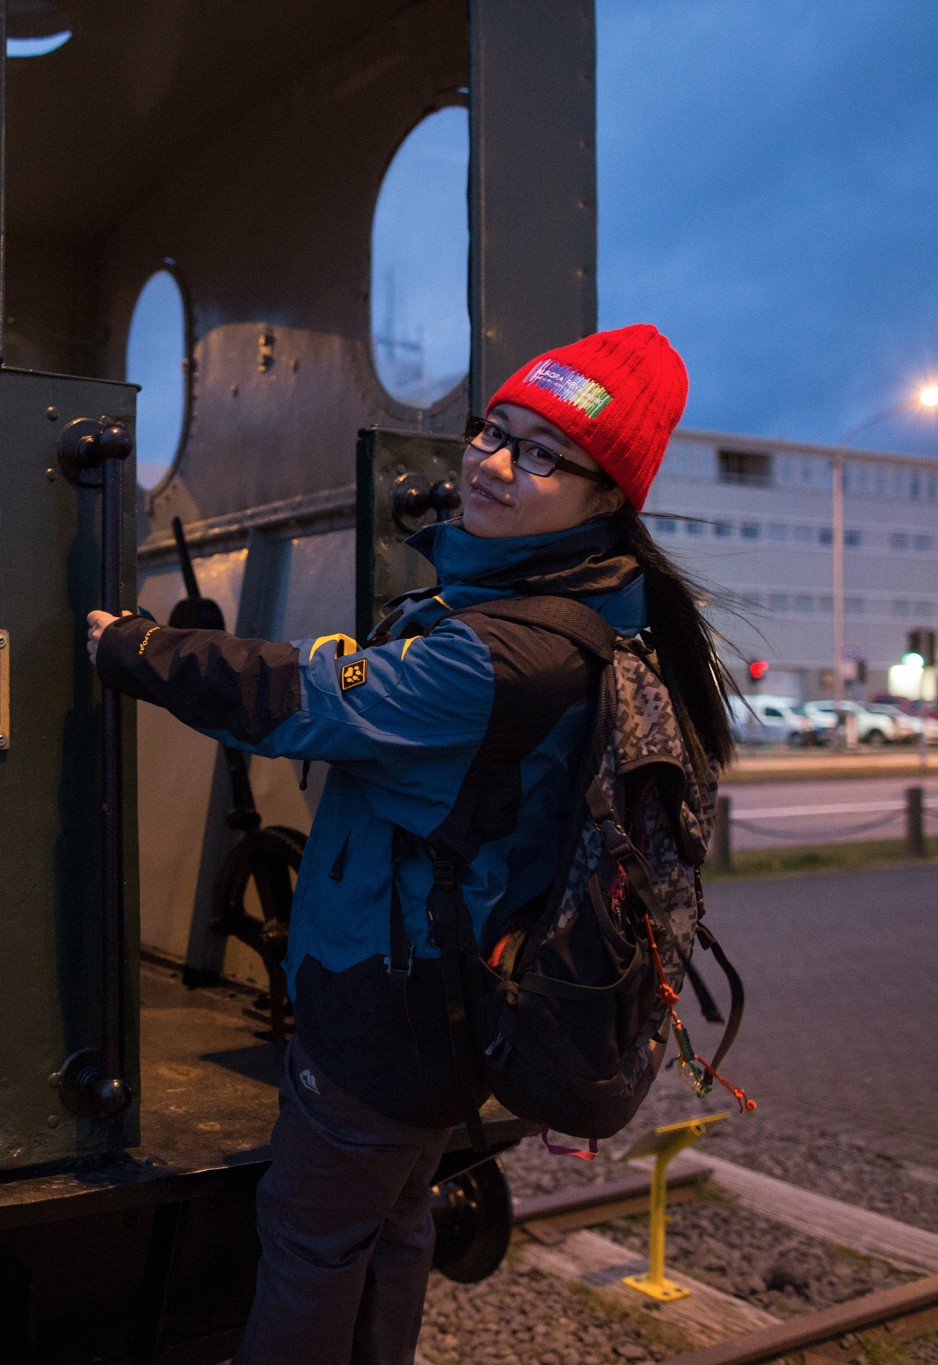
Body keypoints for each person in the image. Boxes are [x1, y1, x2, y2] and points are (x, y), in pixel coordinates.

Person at [86, 323, 735, 1365]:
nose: (490, 463)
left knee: (309, 1237)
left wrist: (137, 648)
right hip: (449, 998)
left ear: (607, 497)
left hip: (388, 1010)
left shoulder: (503, 655)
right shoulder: (565, 614)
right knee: (388, 1220)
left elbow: (296, 701)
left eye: (541, 456)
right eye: (494, 431)